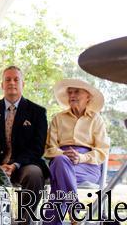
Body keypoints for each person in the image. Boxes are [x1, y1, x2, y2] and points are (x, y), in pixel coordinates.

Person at [0, 66, 49, 224]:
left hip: (23, 165)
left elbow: (37, 147)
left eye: (16, 79)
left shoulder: (38, 112)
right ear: (2, 84)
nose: (12, 83)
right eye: (7, 79)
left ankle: (24, 222)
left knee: (35, 174)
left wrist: (15, 164)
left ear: (23, 83)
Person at [43, 79, 109, 225]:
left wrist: (81, 157)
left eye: (77, 92)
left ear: (88, 97)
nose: (72, 95)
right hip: (61, 160)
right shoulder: (58, 119)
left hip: (87, 165)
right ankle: (74, 209)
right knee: (60, 163)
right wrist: (63, 154)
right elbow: (49, 149)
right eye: (70, 92)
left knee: (59, 178)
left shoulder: (96, 120)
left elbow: (102, 150)